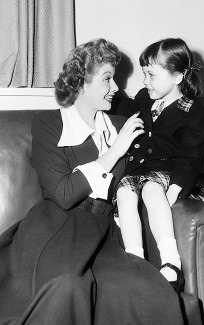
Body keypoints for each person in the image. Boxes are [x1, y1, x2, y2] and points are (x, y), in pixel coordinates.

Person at [0, 38, 184, 325]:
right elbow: (62, 194)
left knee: (150, 295)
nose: (116, 88)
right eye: (107, 79)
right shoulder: (49, 124)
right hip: (57, 226)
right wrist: (115, 152)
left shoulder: (123, 125)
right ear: (80, 84)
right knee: (65, 289)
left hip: (105, 233)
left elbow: (167, 152)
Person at [115, 38, 204, 293]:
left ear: (178, 76)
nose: (145, 81)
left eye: (151, 75)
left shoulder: (194, 112)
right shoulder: (146, 97)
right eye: (144, 74)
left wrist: (177, 186)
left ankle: (170, 261)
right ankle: (134, 260)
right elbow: (127, 106)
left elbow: (192, 155)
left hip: (166, 171)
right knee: (124, 194)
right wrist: (107, 97)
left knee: (151, 191)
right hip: (137, 169)